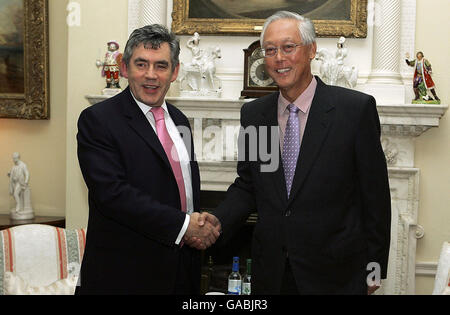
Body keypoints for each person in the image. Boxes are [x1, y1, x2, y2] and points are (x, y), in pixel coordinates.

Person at [197, 11, 391, 295]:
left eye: (289, 47)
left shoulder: (353, 110)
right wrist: (218, 219)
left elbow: (375, 198)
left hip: (336, 275)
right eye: (271, 50)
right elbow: (250, 185)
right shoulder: (255, 114)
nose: (279, 58)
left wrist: (373, 270)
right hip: (272, 273)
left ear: (311, 50)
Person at [76, 24, 221, 295]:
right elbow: (113, 195)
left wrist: (198, 224)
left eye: (161, 66)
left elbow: (183, 189)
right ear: (124, 68)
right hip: (124, 277)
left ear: (175, 72)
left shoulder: (179, 121)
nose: (151, 75)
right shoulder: (98, 120)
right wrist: (183, 225)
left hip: (181, 271)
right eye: (141, 64)